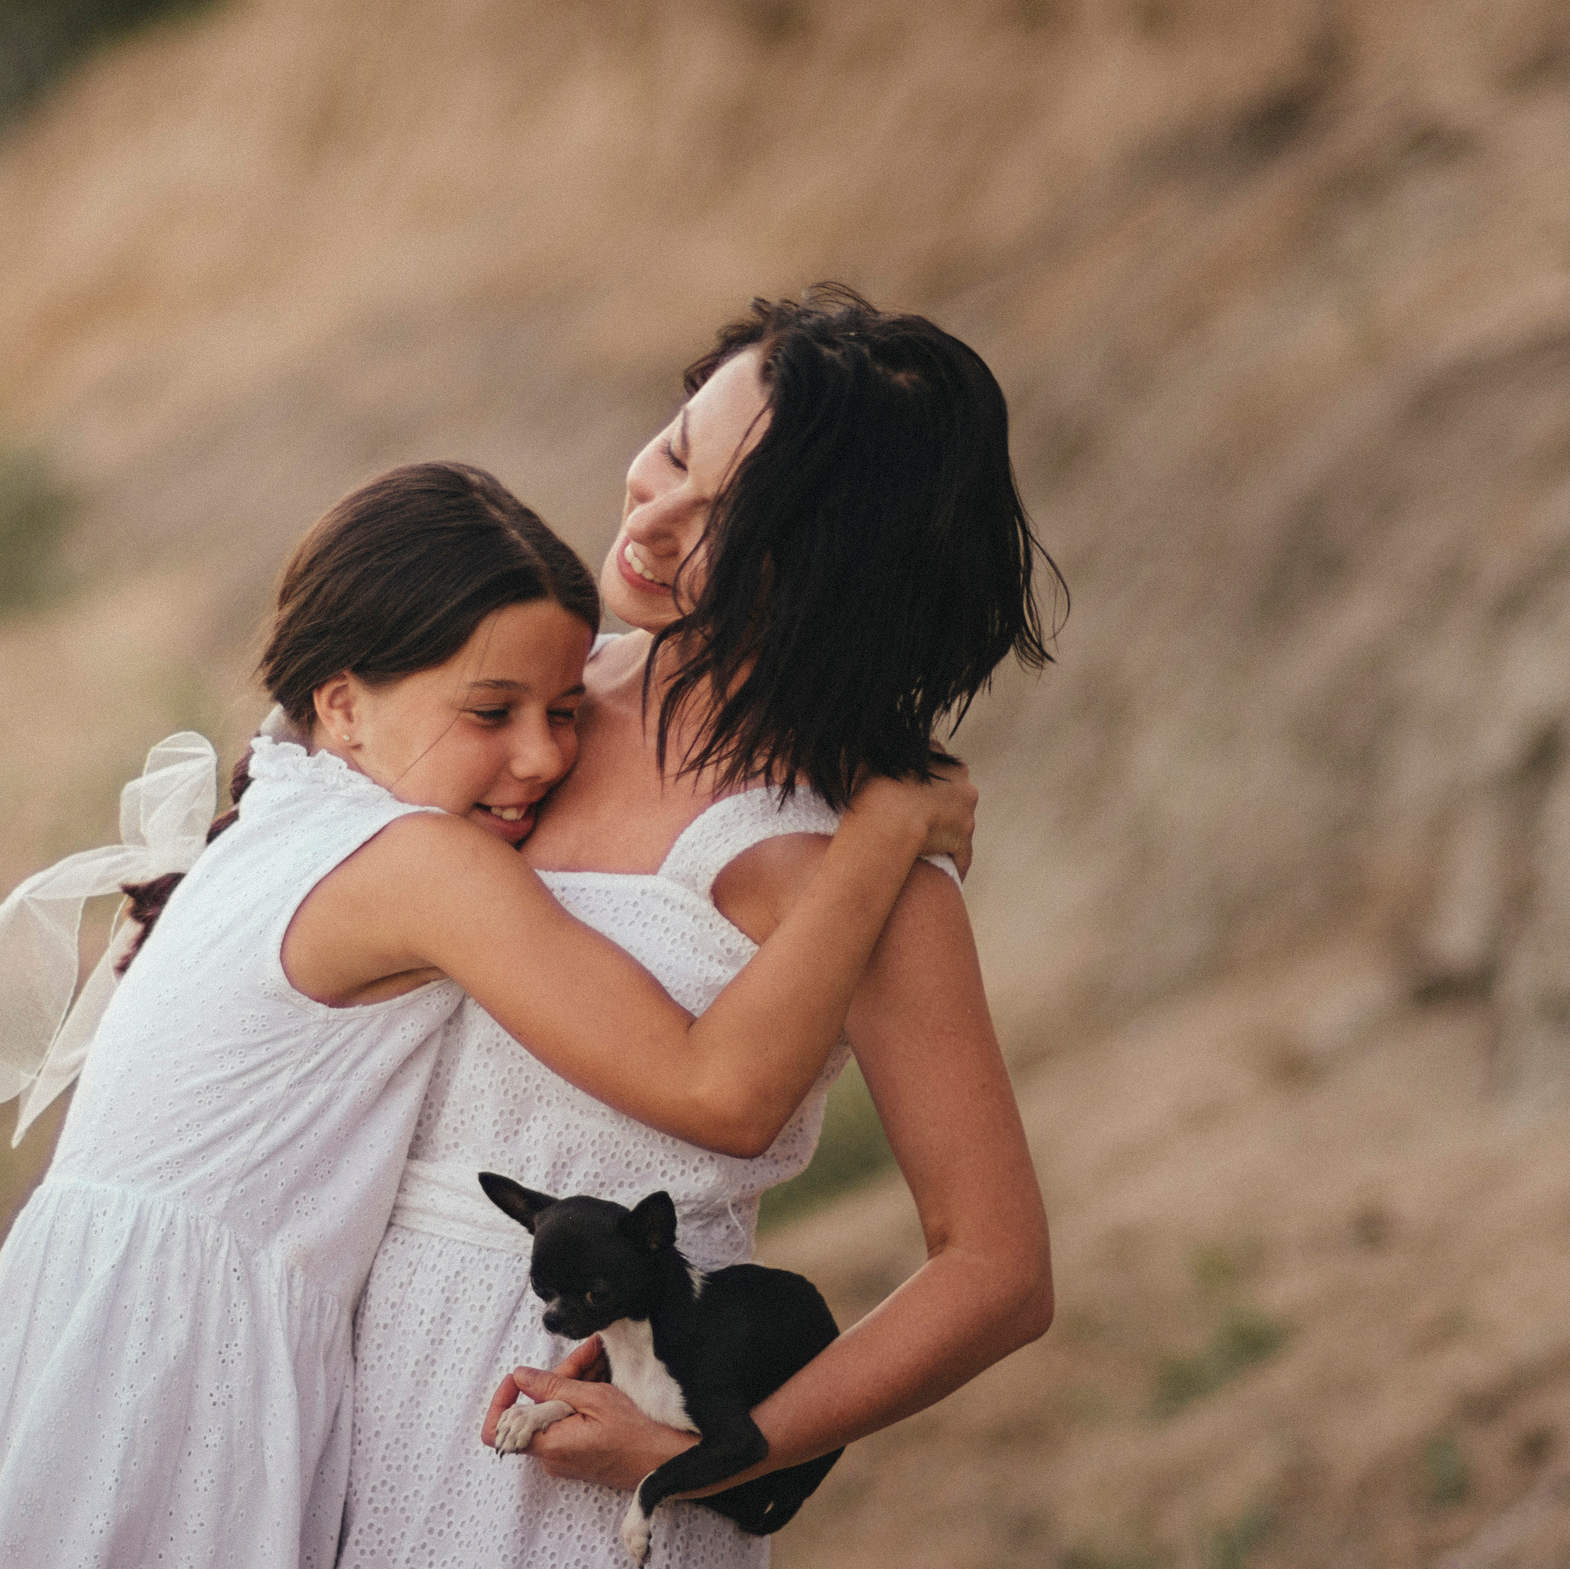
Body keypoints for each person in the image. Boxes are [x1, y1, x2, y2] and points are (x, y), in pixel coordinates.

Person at [0, 461, 975, 1569]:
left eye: (563, 710)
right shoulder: (423, 864)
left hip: (77, 1330)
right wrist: (880, 835)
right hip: (189, 1357)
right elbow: (715, 1089)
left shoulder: (284, 808)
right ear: (342, 701)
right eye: (493, 712)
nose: (541, 755)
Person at [339, 288, 1061, 1568]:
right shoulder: (511, 704)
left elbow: (995, 1266)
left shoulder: (850, 857)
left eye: (732, 523)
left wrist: (721, 1448)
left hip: (570, 1444)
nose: (653, 523)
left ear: (842, 574)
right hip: (333, 1366)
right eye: (675, 450)